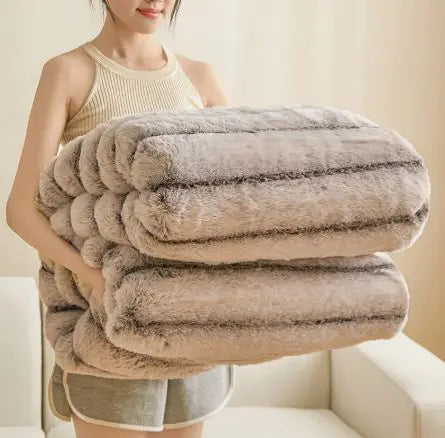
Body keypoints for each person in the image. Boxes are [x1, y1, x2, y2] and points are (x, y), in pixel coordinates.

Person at [5, 1, 235, 437]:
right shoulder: (69, 72)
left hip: (190, 318)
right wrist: (93, 276)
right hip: (108, 322)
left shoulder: (199, 77)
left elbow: (231, 195)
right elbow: (22, 210)